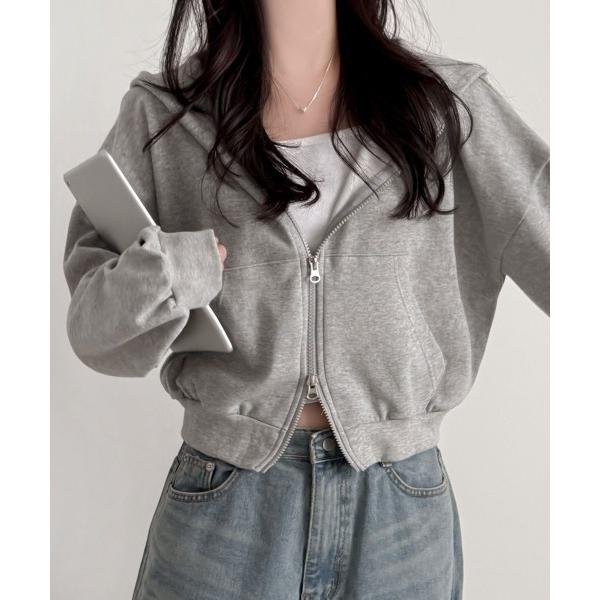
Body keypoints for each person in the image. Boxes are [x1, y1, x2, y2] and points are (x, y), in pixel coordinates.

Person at [62, 1, 549, 598]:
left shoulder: (449, 106)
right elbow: (94, 332)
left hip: (399, 509)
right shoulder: (164, 114)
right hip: (226, 501)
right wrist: (174, 270)